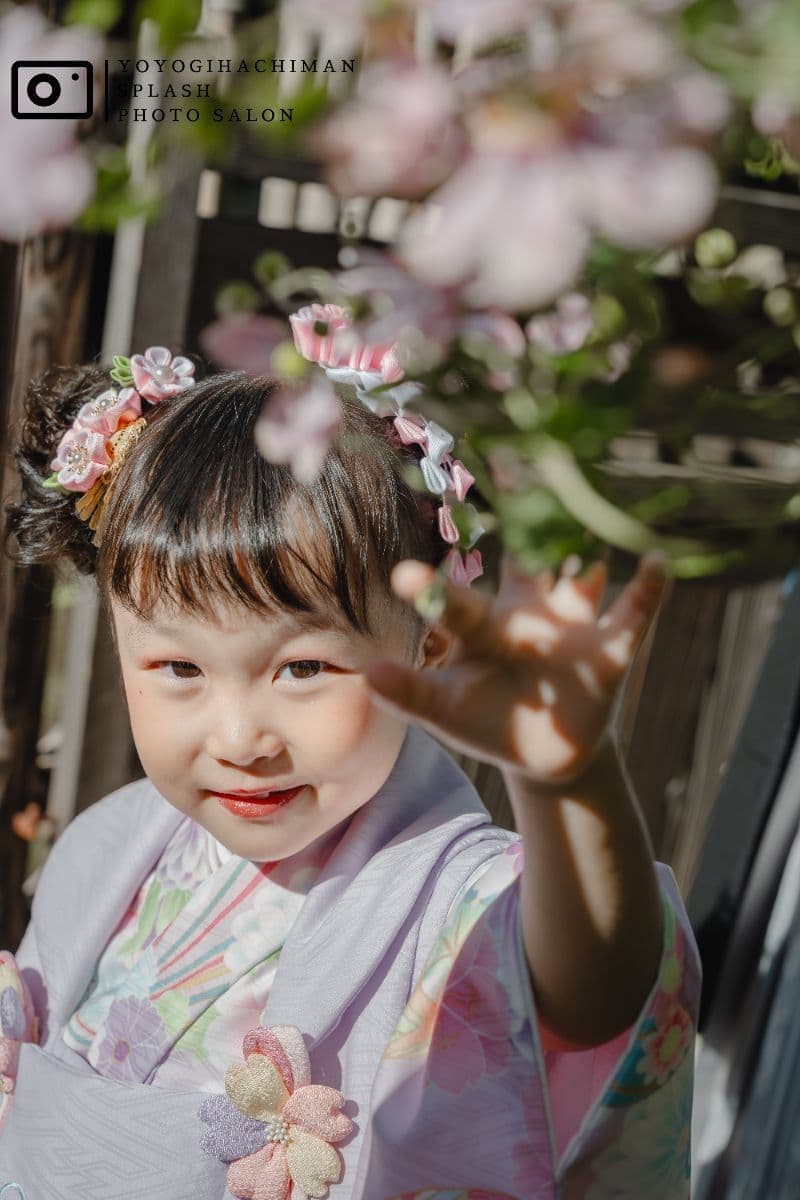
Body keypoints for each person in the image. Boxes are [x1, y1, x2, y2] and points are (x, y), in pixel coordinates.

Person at [0, 339, 700, 1200]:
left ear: (428, 637)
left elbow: (595, 996)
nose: (241, 736)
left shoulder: (457, 897)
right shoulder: (107, 853)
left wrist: (568, 779)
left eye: (302, 669)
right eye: (179, 668)